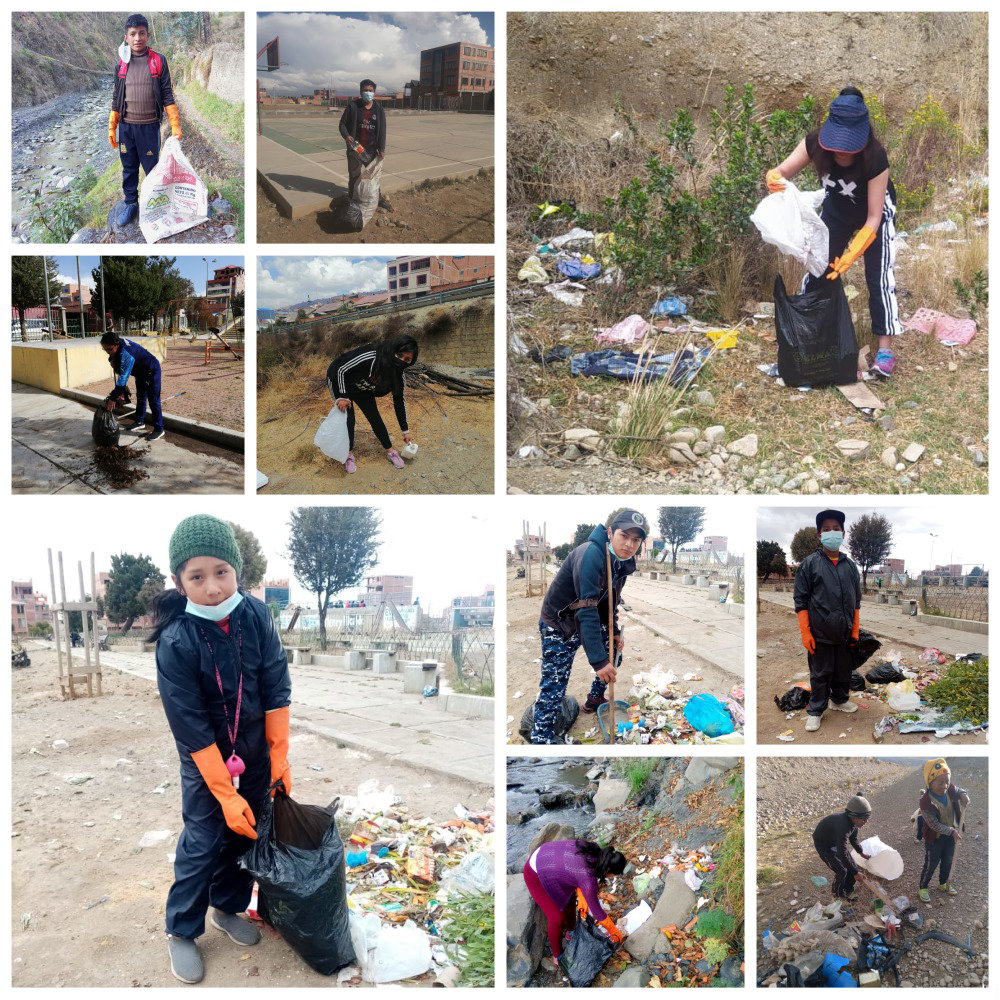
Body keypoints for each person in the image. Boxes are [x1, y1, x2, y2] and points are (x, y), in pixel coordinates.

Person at [150, 515, 292, 983]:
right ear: (179, 582)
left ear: (236, 570)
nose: (212, 587)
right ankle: (181, 930)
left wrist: (279, 755)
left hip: (253, 750)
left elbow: (276, 685)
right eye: (197, 577)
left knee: (248, 832)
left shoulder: (257, 616)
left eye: (221, 572)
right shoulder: (176, 640)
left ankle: (227, 907)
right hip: (205, 757)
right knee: (204, 840)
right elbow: (189, 726)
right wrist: (223, 793)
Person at [765, 86, 903, 378]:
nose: (841, 150)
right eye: (838, 141)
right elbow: (780, 172)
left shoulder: (875, 156)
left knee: (878, 276)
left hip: (875, 214)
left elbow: (874, 216)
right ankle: (807, 338)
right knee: (819, 270)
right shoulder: (814, 143)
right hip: (837, 211)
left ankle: (885, 351)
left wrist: (854, 251)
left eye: (849, 143)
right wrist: (774, 179)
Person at [530, 510, 648, 744]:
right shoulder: (591, 554)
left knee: (613, 655)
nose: (629, 544)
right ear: (610, 532)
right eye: (624, 536)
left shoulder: (622, 562)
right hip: (561, 623)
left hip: (586, 615)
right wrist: (598, 661)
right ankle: (540, 739)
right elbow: (587, 609)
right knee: (555, 686)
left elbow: (610, 600)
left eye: (636, 540)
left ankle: (594, 699)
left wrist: (614, 631)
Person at [108, 14, 182, 227]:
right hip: (126, 127)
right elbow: (117, 96)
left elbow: (167, 93)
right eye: (133, 34)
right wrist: (113, 125)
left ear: (148, 35)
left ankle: (153, 204)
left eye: (141, 33)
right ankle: (131, 204)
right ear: (126, 37)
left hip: (149, 127)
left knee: (152, 168)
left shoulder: (158, 60)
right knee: (128, 168)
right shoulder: (121, 64)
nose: (137, 38)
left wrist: (175, 124)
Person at [794, 509, 862, 733]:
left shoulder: (850, 566)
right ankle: (816, 710)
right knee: (821, 674)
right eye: (826, 529)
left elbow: (856, 602)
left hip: (844, 633)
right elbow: (801, 602)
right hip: (820, 633)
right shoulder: (809, 564)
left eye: (836, 529)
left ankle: (839, 700)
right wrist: (806, 633)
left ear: (843, 534)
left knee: (843, 671)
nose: (831, 532)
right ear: (819, 535)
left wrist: (855, 631)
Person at [523, 839, 626, 965]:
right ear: (607, 870)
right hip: (535, 872)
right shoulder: (588, 878)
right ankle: (557, 955)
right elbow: (598, 913)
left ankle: (571, 931)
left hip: (550, 860)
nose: (612, 877)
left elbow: (577, 873)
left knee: (570, 898)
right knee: (556, 918)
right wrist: (615, 932)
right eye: (613, 875)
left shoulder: (594, 850)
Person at [326, 334, 417, 473]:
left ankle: (390, 451)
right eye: (399, 355)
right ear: (392, 350)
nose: (402, 361)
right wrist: (343, 396)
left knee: (374, 417)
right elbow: (341, 370)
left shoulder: (397, 375)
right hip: (340, 380)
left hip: (361, 386)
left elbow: (398, 401)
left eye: (407, 359)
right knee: (348, 419)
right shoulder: (372, 356)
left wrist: (405, 431)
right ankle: (348, 454)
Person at [917, 758, 970, 902]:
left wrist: (963, 794)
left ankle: (943, 883)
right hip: (934, 839)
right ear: (930, 782)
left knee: (947, 861)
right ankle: (923, 887)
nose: (945, 785)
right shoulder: (925, 802)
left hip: (950, 836)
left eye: (947, 781)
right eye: (940, 782)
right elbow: (933, 824)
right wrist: (951, 831)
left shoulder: (950, 789)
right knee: (931, 863)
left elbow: (958, 789)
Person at [338, 79, 392, 211]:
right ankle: (353, 200)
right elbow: (342, 124)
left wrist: (382, 148)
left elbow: (382, 129)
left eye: (370, 90)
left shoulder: (379, 109)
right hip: (355, 149)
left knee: (373, 177)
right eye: (365, 90)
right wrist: (346, 135)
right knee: (354, 176)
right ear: (361, 91)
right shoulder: (353, 106)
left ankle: (378, 199)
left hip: (372, 150)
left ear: (374, 92)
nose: (368, 92)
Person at [100, 331, 166, 441]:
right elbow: (117, 362)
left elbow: (122, 380)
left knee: (154, 400)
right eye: (105, 349)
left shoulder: (127, 353)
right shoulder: (118, 343)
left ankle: (159, 429)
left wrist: (113, 398)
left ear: (116, 344)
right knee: (141, 397)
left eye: (110, 349)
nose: (108, 352)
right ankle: (139, 421)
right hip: (140, 372)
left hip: (151, 370)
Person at [812, 796, 873, 900]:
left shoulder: (853, 824)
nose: (866, 821)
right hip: (824, 845)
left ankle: (848, 890)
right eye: (864, 819)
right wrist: (855, 873)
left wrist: (861, 853)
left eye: (868, 818)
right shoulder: (844, 827)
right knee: (842, 871)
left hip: (834, 841)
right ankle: (837, 895)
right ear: (854, 817)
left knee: (852, 866)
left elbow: (853, 839)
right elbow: (841, 851)